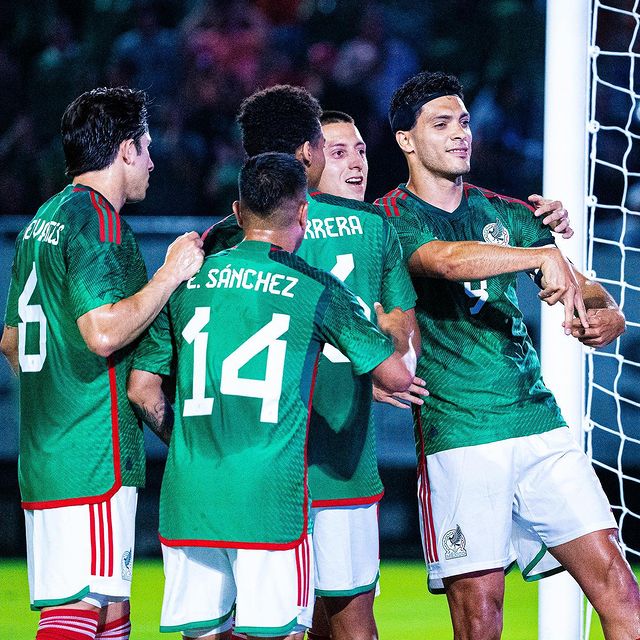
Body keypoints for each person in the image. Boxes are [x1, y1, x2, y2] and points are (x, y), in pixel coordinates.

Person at [375, 70, 639, 640]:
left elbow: (584, 286)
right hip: (461, 435)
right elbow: (443, 260)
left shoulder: (507, 212)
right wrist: (535, 256)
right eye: (441, 124)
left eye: (464, 122)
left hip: (540, 425)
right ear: (405, 140)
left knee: (622, 595)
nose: (459, 134)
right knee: (481, 618)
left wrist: (604, 315)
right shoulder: (389, 218)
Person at [126, 152, 416, 640]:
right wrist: (384, 326)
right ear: (303, 212)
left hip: (189, 494)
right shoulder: (315, 288)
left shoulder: (184, 282)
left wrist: (185, 441)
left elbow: (141, 389)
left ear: (238, 214)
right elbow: (396, 377)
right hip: (272, 498)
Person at [200, 87, 421, 640]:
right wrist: (372, 358)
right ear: (308, 151)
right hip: (341, 460)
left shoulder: (228, 238)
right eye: (332, 146)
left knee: (255, 622)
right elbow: (402, 345)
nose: (346, 160)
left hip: (248, 462)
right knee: (351, 618)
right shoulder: (373, 228)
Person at [0, 87, 204, 640]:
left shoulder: (43, 220)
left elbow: (12, 342)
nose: (153, 159)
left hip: (50, 451)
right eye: (146, 146)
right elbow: (104, 331)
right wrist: (171, 273)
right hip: (91, 454)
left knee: (110, 618)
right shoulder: (97, 221)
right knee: (80, 615)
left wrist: (57, 388)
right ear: (123, 150)